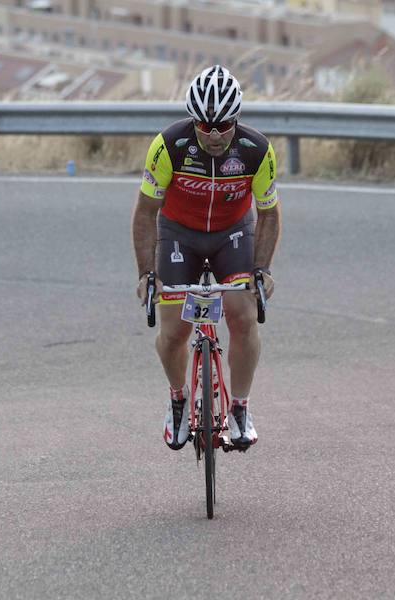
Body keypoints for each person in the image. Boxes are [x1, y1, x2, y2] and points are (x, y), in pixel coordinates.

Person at [132, 65, 282, 451]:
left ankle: (240, 407)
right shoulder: (169, 146)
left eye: (223, 125)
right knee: (173, 331)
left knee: (243, 314)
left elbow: (268, 213)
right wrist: (147, 274)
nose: (214, 135)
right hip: (179, 233)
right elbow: (147, 211)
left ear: (237, 119)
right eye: (204, 125)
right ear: (193, 120)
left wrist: (262, 269)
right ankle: (178, 399)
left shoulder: (257, 151)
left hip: (232, 234)